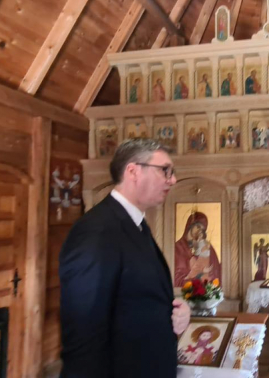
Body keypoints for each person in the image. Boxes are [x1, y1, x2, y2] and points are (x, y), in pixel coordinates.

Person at [59, 139, 190, 377]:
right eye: (165, 170)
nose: (173, 180)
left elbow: (136, 299)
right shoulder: (96, 231)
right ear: (133, 171)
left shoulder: (136, 224)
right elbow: (83, 335)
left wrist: (174, 316)